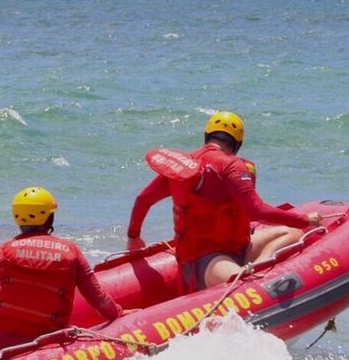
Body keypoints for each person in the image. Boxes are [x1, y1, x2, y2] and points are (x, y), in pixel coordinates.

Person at [125, 111, 322, 291]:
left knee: (293, 233)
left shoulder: (183, 166)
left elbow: (143, 199)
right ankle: (258, 277)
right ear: (237, 143)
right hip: (209, 261)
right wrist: (304, 220)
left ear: (207, 135)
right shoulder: (232, 166)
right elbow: (256, 211)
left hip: (221, 251)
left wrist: (134, 237)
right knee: (241, 284)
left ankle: (259, 265)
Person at [0, 186, 122, 358]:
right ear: (49, 217)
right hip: (47, 347)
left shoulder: (1, 253)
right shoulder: (70, 253)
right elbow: (98, 299)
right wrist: (119, 315)